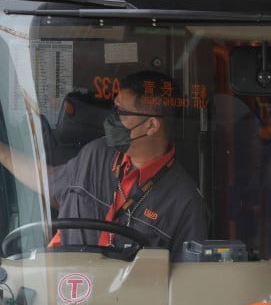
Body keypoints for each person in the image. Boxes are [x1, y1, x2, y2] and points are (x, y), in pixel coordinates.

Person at [0, 70, 208, 259]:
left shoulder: (185, 202)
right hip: (62, 288)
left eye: (121, 113)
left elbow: (188, 282)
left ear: (151, 125)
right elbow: (46, 180)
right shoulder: (95, 154)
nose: (111, 120)